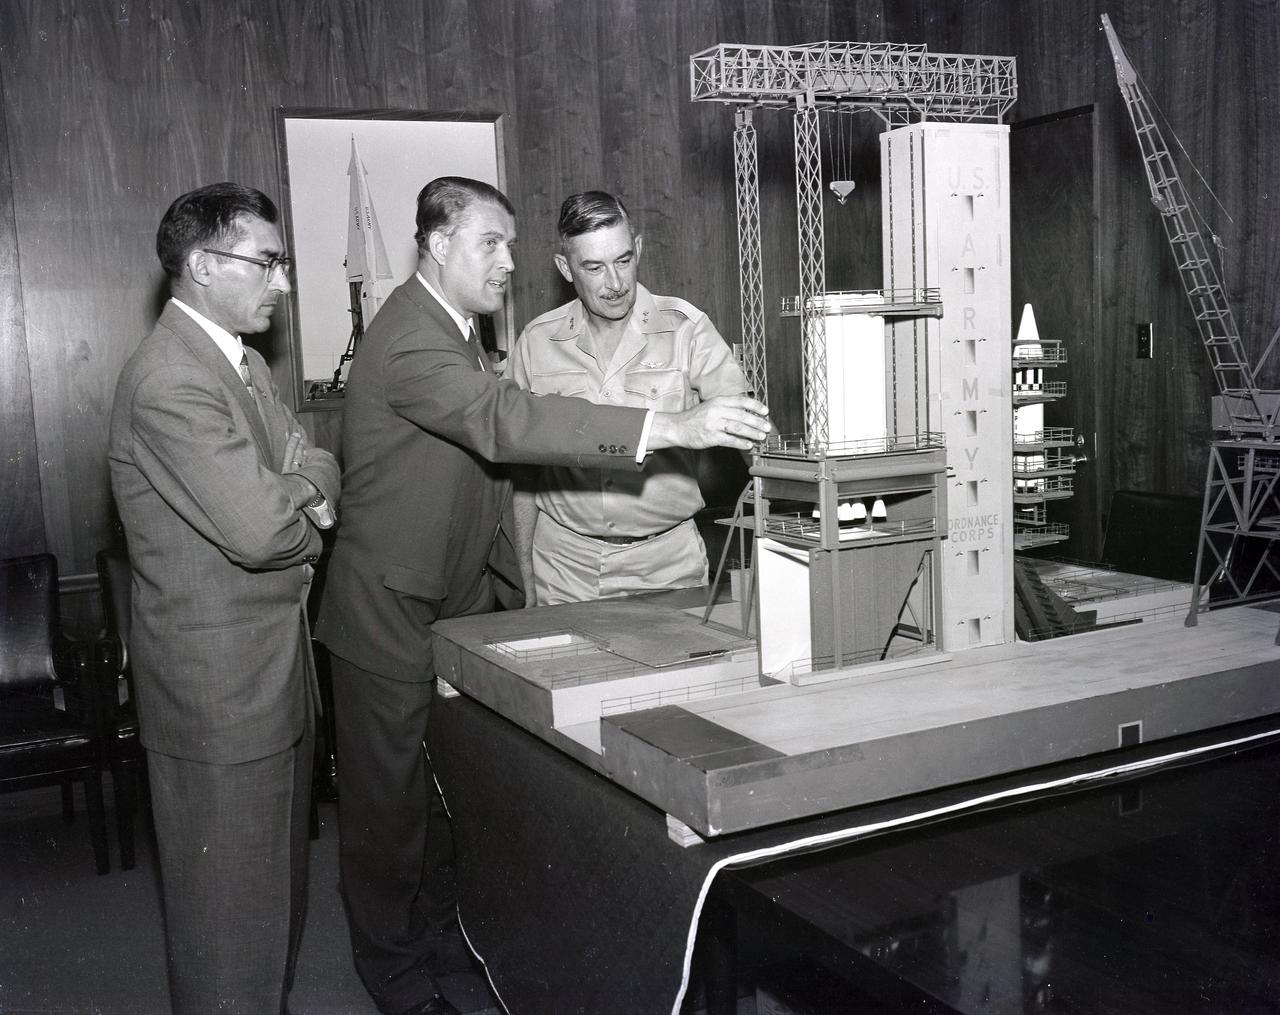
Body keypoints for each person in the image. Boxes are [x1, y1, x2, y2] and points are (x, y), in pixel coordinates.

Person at [313, 176, 769, 1015]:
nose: (507, 262)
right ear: (439, 244)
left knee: (437, 797)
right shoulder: (417, 338)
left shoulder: (458, 331)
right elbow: (509, 423)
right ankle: (399, 983)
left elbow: (490, 466)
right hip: (388, 611)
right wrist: (662, 426)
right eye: (491, 243)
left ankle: (440, 941)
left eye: (511, 244)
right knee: (386, 816)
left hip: (456, 601)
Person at [108, 182, 340, 1014]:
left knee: (272, 922)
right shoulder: (172, 377)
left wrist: (302, 481)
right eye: (267, 261)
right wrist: (305, 501)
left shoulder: (237, 362)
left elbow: (315, 457)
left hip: (270, 685)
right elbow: (264, 532)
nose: (282, 280)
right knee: (229, 945)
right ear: (204, 265)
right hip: (220, 704)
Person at [509, 190, 750, 605]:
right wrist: (525, 577)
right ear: (565, 268)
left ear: (638, 248)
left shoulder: (687, 329)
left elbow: (747, 427)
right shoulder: (536, 341)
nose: (616, 283)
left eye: (623, 260)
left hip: (668, 564)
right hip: (565, 567)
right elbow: (520, 472)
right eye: (594, 267)